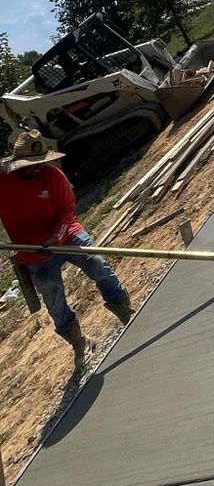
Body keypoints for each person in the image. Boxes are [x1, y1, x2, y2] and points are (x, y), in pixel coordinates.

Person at [0, 130, 133, 367]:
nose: (37, 168)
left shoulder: (53, 175)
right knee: (54, 300)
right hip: (32, 250)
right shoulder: (3, 181)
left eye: (40, 163)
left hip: (66, 234)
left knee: (97, 263)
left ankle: (124, 310)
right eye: (31, 165)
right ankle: (80, 343)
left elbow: (67, 210)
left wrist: (57, 237)